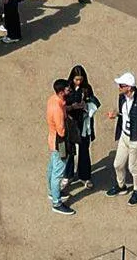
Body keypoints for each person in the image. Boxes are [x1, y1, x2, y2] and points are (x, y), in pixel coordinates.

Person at [106, 72, 137, 204]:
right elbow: (123, 113)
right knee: (118, 164)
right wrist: (115, 114)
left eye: (121, 85)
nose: (119, 87)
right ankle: (121, 186)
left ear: (129, 87)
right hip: (124, 136)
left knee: (133, 167)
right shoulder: (122, 97)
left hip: (136, 139)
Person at [62, 64, 97, 183]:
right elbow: (62, 105)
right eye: (76, 79)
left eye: (80, 79)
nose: (78, 82)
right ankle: (68, 175)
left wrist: (86, 106)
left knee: (84, 150)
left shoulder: (87, 88)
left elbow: (93, 101)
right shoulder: (67, 89)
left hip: (83, 123)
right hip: (71, 123)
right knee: (69, 151)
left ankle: (85, 176)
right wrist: (72, 107)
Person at [46, 78, 75, 216]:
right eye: (67, 89)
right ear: (62, 91)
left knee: (52, 167)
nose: (70, 90)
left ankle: (53, 192)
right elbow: (61, 131)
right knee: (58, 172)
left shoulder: (53, 99)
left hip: (52, 140)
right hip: (60, 143)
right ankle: (56, 203)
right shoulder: (57, 108)